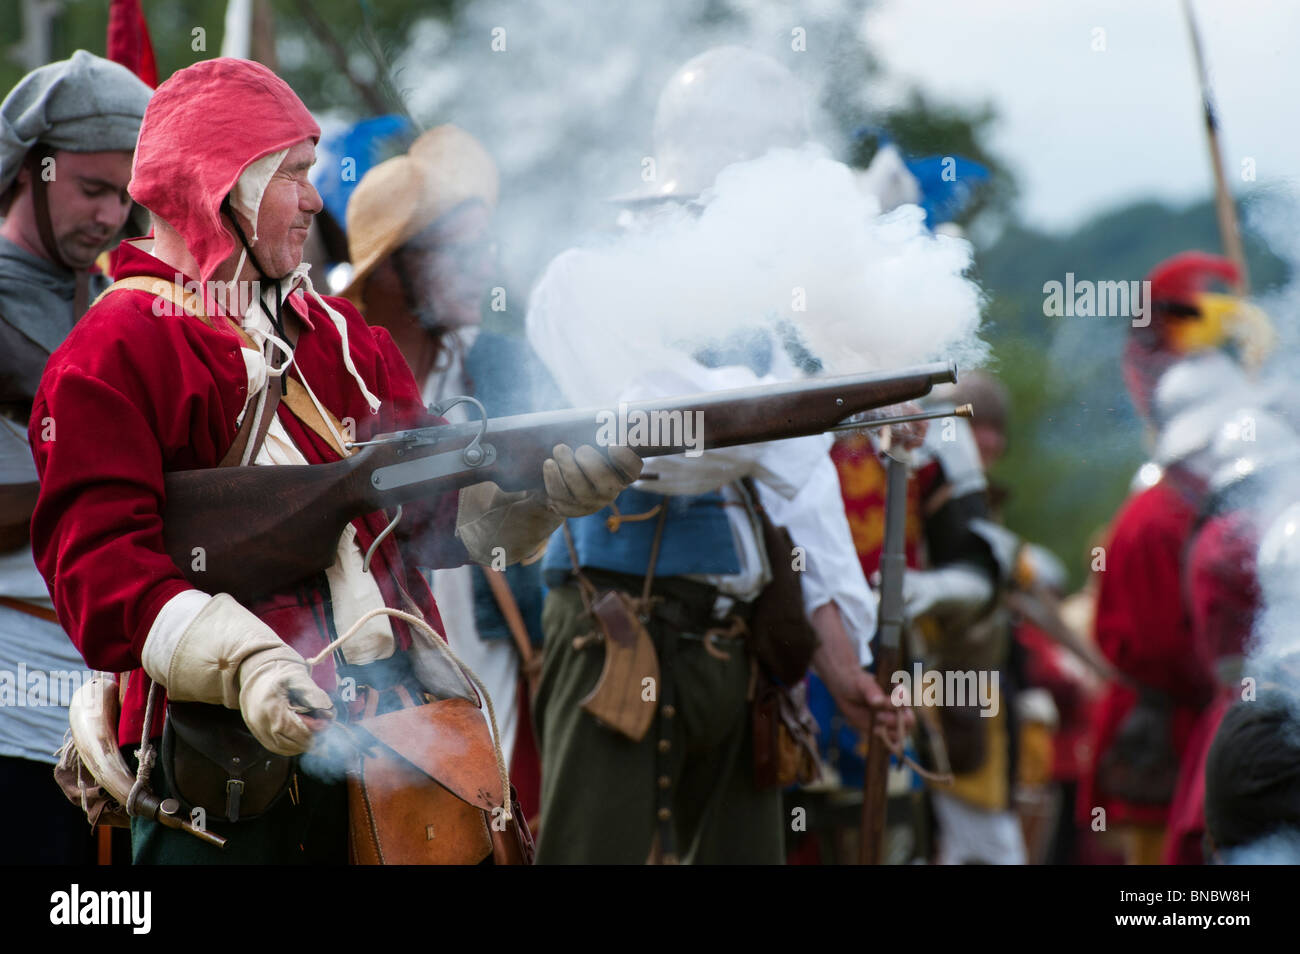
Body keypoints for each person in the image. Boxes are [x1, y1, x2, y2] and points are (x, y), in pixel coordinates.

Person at [27, 57, 638, 864]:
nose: (316, 199)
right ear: (223, 185)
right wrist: (243, 661)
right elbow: (98, 571)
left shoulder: (344, 338)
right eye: (292, 174)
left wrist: (533, 504)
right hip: (222, 767)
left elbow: (424, 519)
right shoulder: (114, 350)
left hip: (397, 740)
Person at [525, 46, 902, 864]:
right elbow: (665, 439)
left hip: (733, 646)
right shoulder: (582, 282)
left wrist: (850, 664)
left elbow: (806, 499)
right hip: (615, 634)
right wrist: (819, 400)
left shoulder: (757, 331)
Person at [342, 124, 563, 819]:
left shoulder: (500, 366)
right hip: (361, 689)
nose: (483, 269)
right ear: (388, 267)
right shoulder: (327, 375)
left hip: (494, 664)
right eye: (460, 253)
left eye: (485, 249)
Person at [0, 50, 151, 864]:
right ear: (33, 168)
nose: (109, 214)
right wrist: (109, 481)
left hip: (112, 705)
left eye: (125, 196)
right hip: (10, 701)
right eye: (92, 189)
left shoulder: (109, 301)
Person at [1080, 255, 1262, 865]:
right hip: (1169, 730)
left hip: (1211, 725)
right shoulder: (1159, 516)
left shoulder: (1195, 507)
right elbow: (1156, 647)